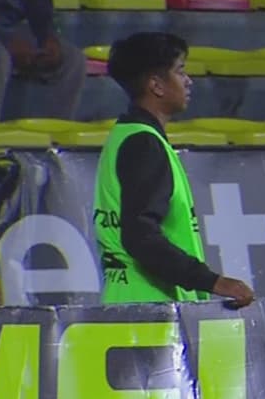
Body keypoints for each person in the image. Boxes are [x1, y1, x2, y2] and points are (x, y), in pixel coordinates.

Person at [94, 32, 256, 306]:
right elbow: (140, 237)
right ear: (156, 85)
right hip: (149, 312)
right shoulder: (144, 144)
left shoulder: (127, 136)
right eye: (180, 71)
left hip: (132, 306)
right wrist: (212, 281)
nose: (188, 80)